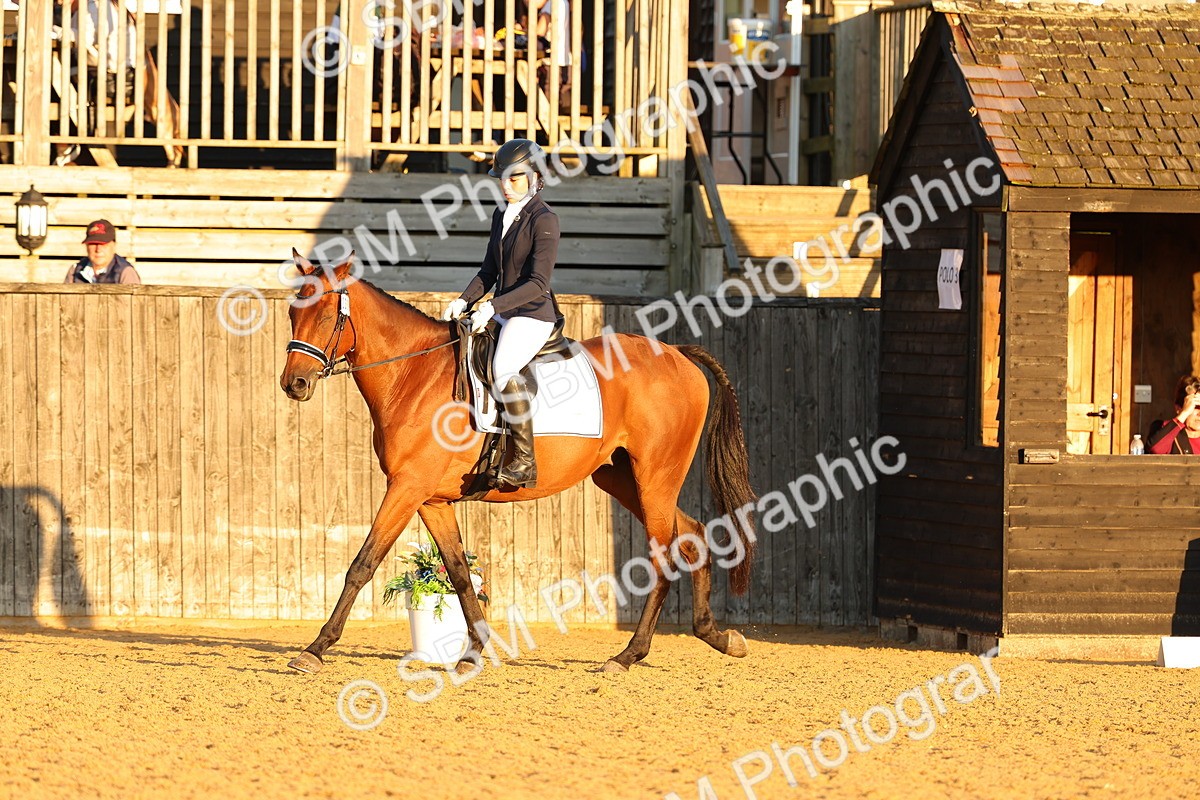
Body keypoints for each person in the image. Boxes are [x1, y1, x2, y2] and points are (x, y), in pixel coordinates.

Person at [443, 138, 562, 489]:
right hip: (501, 311)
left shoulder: (545, 220)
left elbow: (539, 282)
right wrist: (464, 300)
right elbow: (489, 272)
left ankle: (524, 460)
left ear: (535, 177)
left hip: (532, 314)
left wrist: (493, 306)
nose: (505, 186)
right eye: (502, 179)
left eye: (514, 179)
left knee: (502, 368)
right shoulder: (501, 215)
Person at [63, 219, 141, 284]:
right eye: (93, 244)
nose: (98, 249)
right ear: (86, 246)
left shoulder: (126, 273)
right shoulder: (75, 271)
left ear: (114, 245)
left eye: (103, 244)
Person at [1147, 375, 1200, 454]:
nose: (1199, 413)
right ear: (1179, 408)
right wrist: (1184, 413)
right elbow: (1155, 449)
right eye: (1195, 406)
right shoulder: (1164, 429)